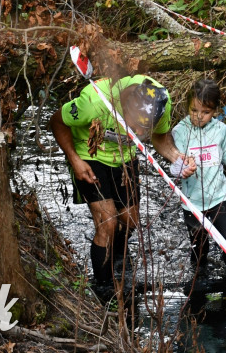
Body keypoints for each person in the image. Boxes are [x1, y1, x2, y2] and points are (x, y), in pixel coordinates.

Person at [50, 74, 197, 302]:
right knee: (107, 224)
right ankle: (104, 289)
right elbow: (56, 121)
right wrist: (74, 160)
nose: (139, 133)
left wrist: (178, 158)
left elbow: (160, 138)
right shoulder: (94, 103)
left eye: (144, 129)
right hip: (89, 155)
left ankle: (117, 258)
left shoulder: (160, 100)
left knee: (130, 221)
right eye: (135, 125)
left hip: (124, 157)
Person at [171, 79, 226, 293]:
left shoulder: (221, 130)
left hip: (219, 197)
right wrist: (181, 169)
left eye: (206, 112)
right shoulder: (180, 132)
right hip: (193, 203)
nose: (199, 116)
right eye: (194, 110)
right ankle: (198, 281)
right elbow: (174, 164)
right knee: (199, 247)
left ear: (215, 111)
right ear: (187, 106)